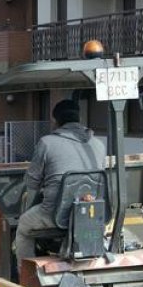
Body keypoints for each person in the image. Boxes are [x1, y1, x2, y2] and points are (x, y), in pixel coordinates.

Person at [15, 99, 107, 260]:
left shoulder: (47, 143)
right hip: (90, 213)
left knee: (23, 225)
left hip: (55, 214)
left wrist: (27, 208)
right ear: (79, 119)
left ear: (56, 121)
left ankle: (25, 274)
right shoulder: (99, 145)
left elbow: (32, 183)